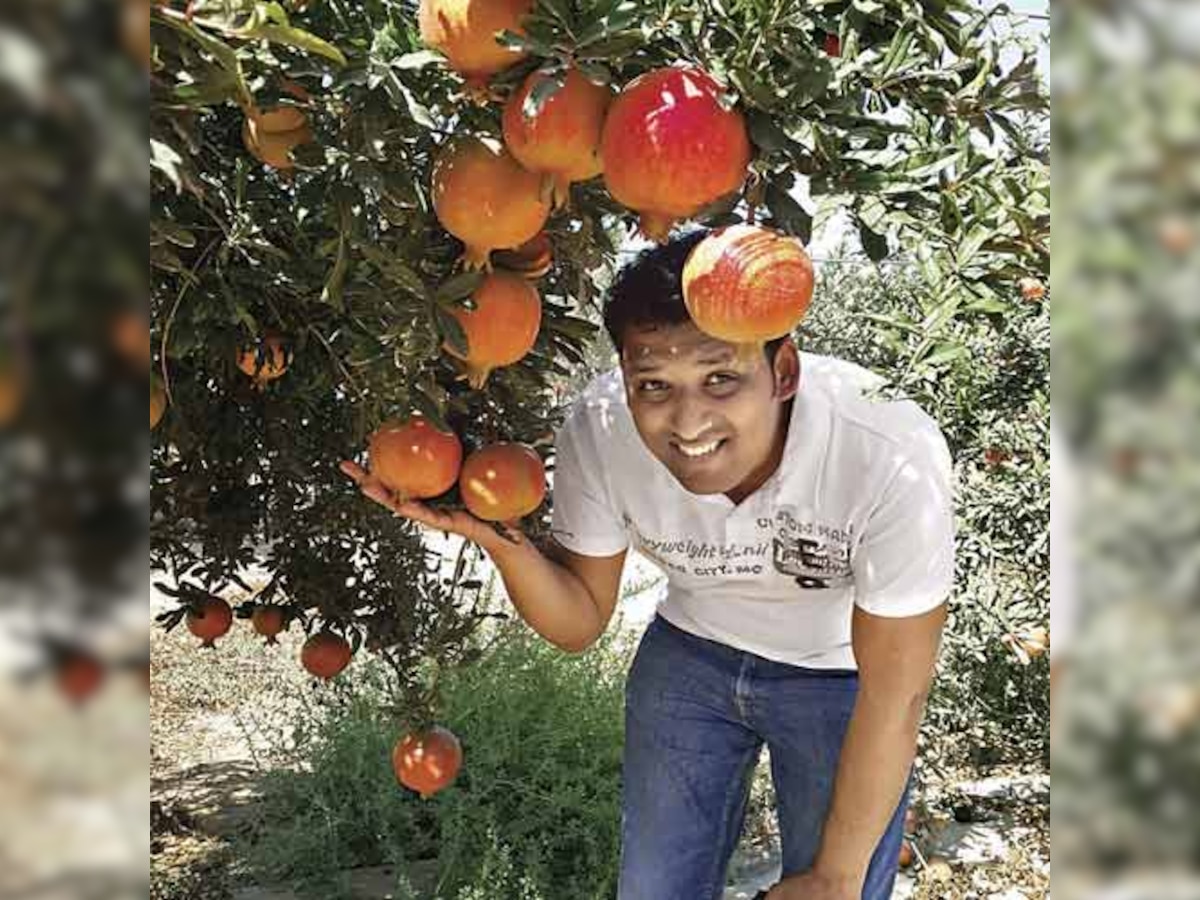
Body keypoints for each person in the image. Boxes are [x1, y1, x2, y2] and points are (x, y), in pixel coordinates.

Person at [341, 230, 955, 900]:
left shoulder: (888, 450)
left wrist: (837, 876)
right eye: (654, 385)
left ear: (783, 373)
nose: (689, 420)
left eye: (721, 378)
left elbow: (896, 694)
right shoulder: (602, 428)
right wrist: (499, 538)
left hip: (841, 674)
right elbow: (578, 621)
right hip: (690, 656)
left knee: (837, 888)